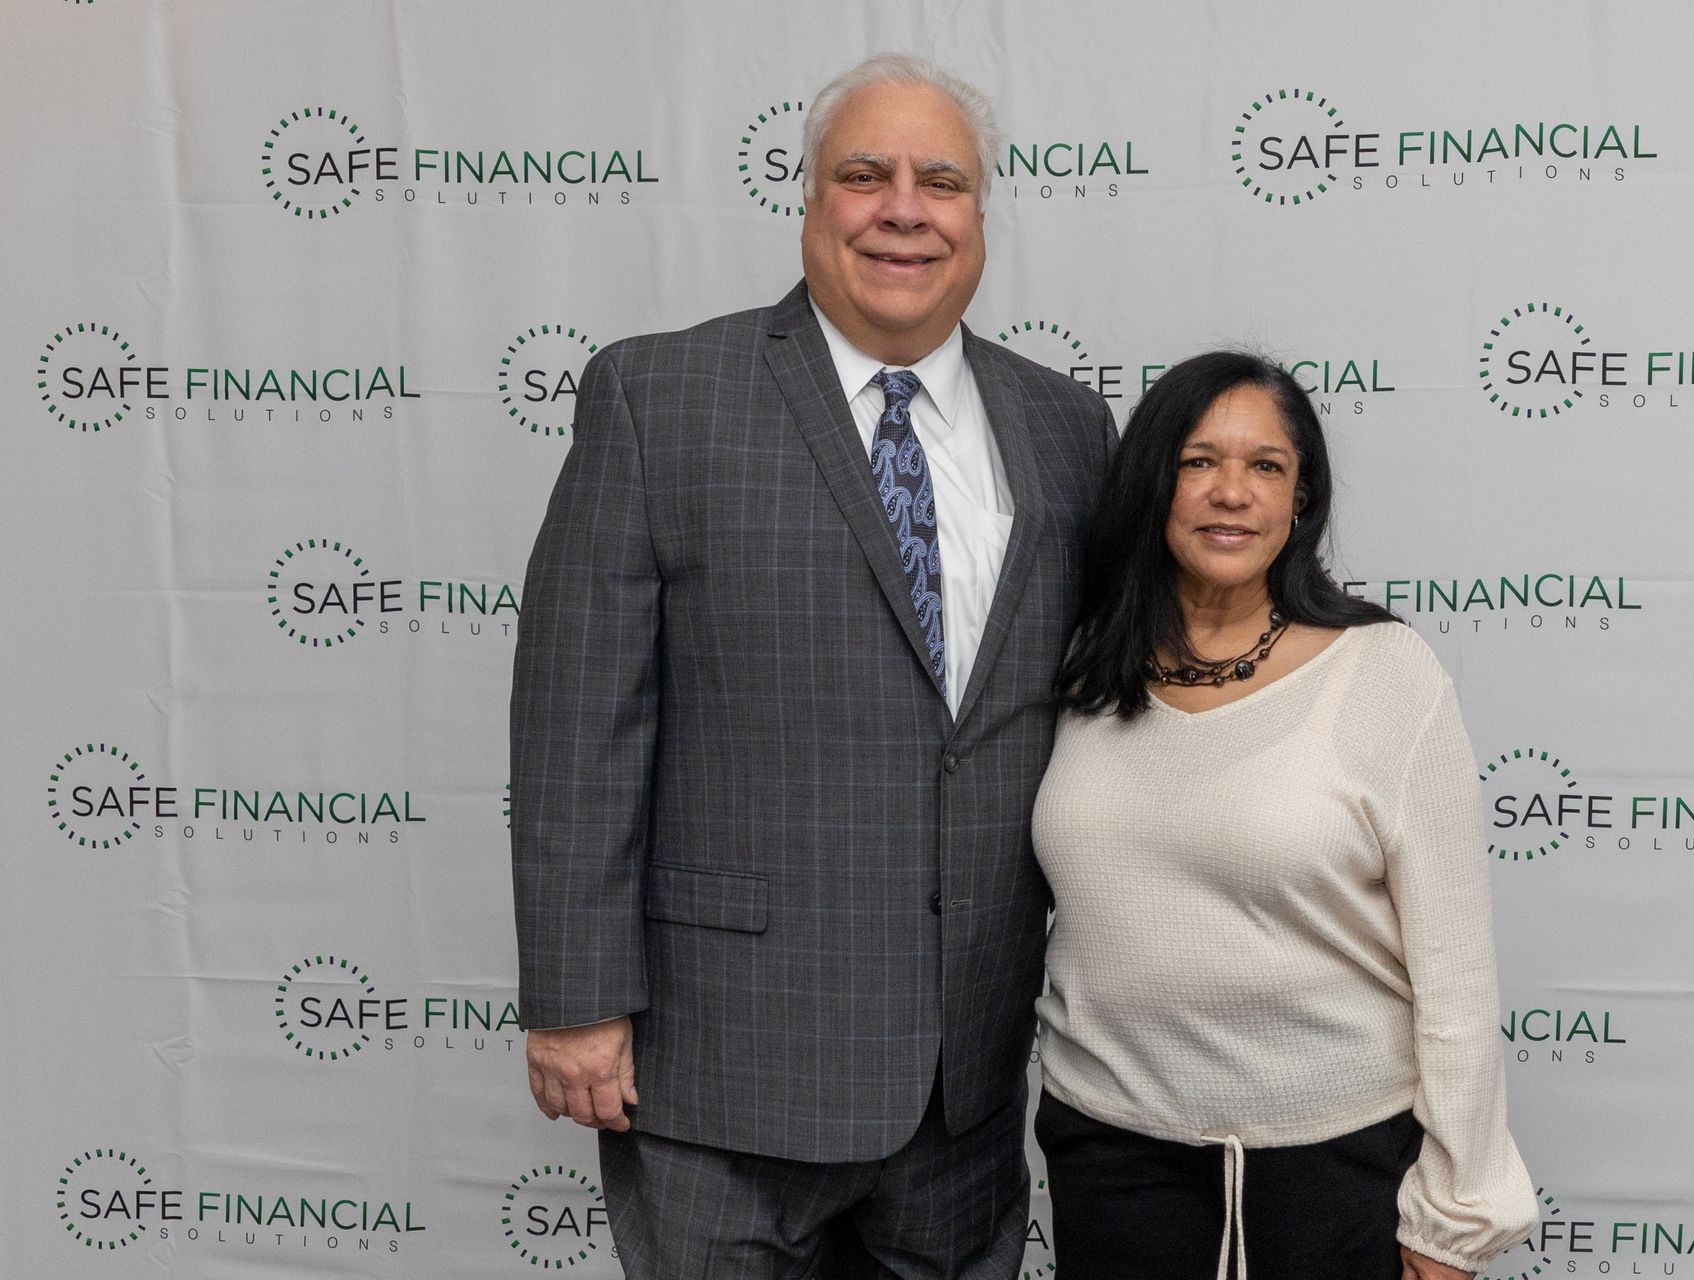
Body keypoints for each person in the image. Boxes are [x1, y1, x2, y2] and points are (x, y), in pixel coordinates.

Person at [508, 53, 1115, 1280]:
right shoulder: (660, 394)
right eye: (865, 174)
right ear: (809, 200)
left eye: (941, 180)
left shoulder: (1066, 427)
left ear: (980, 215)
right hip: (726, 1064)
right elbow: (579, 718)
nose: (904, 207)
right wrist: (575, 997)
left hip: (967, 1080)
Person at [1034, 352, 1536, 1280]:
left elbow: (1456, 972)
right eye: (1199, 461)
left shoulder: (1383, 673)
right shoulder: (1078, 670)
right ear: (1154, 484)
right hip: (1109, 1160)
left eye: (1267, 466)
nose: (1233, 493)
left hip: (1330, 1175)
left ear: (1300, 501)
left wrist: (1456, 1217)